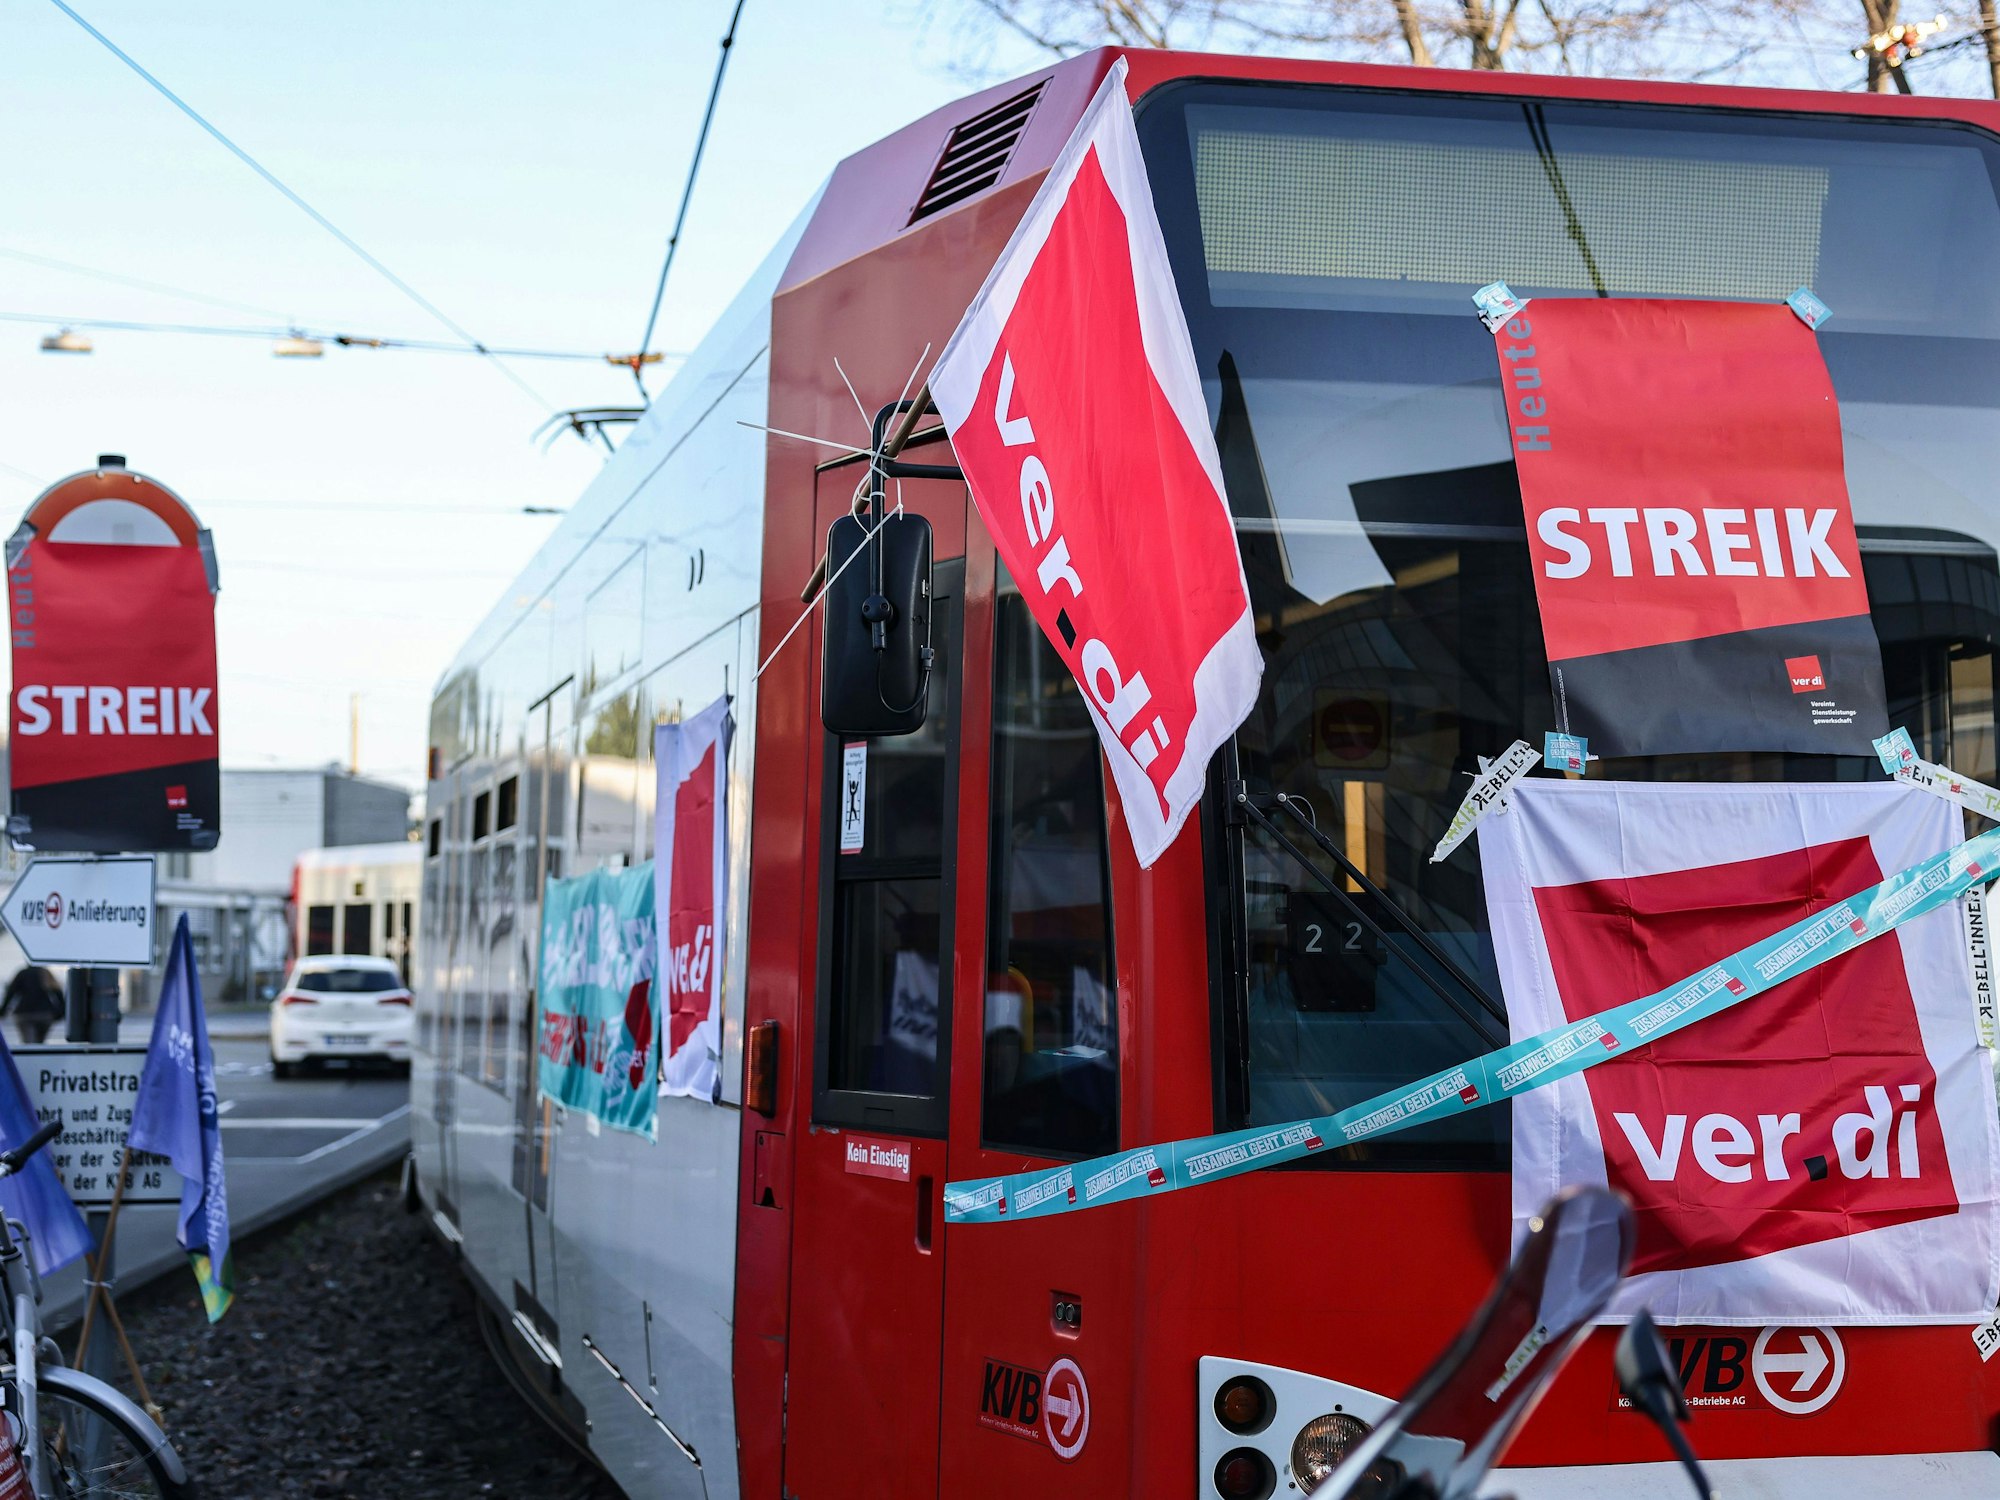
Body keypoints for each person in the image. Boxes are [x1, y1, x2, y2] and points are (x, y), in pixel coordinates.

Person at [0, 966, 64, 1045]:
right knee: (39, 1043)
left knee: (29, 1043)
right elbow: (58, 992)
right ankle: (38, 1055)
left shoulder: (22, 973)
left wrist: (3, 1010)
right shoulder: (45, 973)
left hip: (25, 1014)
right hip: (45, 1014)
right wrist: (61, 1012)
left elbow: (11, 992)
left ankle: (32, 1055)